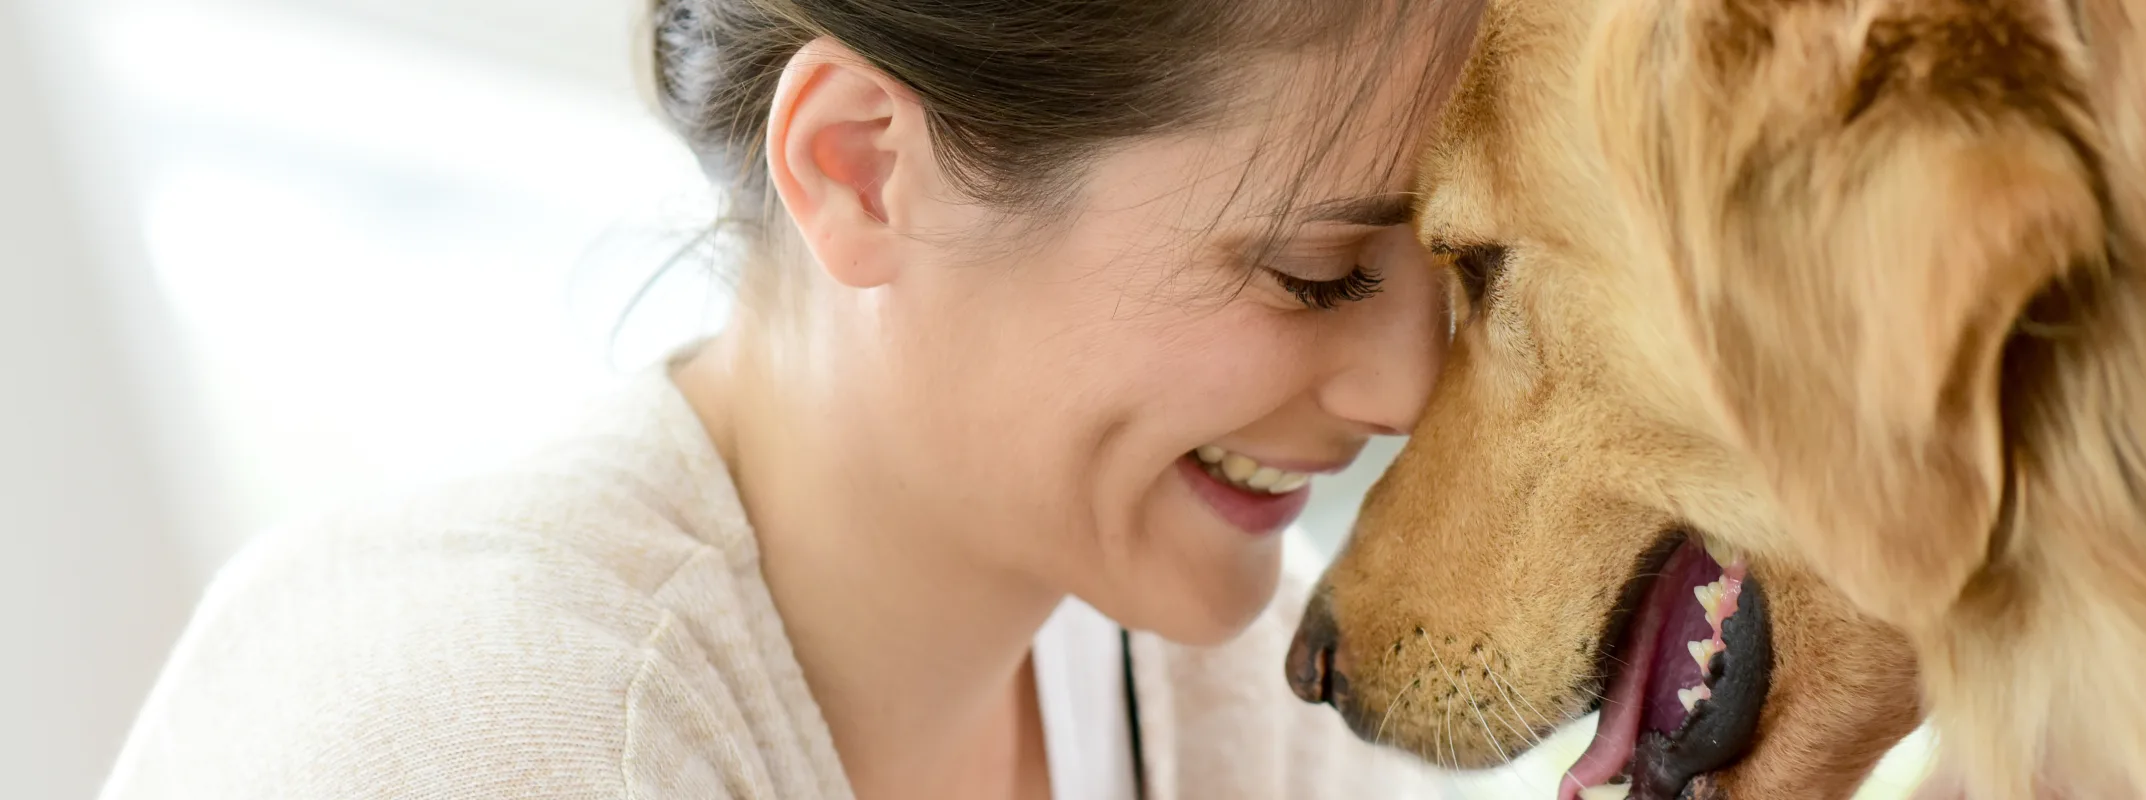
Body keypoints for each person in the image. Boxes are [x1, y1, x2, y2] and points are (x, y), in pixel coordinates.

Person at [100, 0, 1485, 797]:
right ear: (859, 167)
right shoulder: (471, 734)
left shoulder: (1234, 706)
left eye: (1451, 265)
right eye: (1314, 273)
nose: (1410, 388)